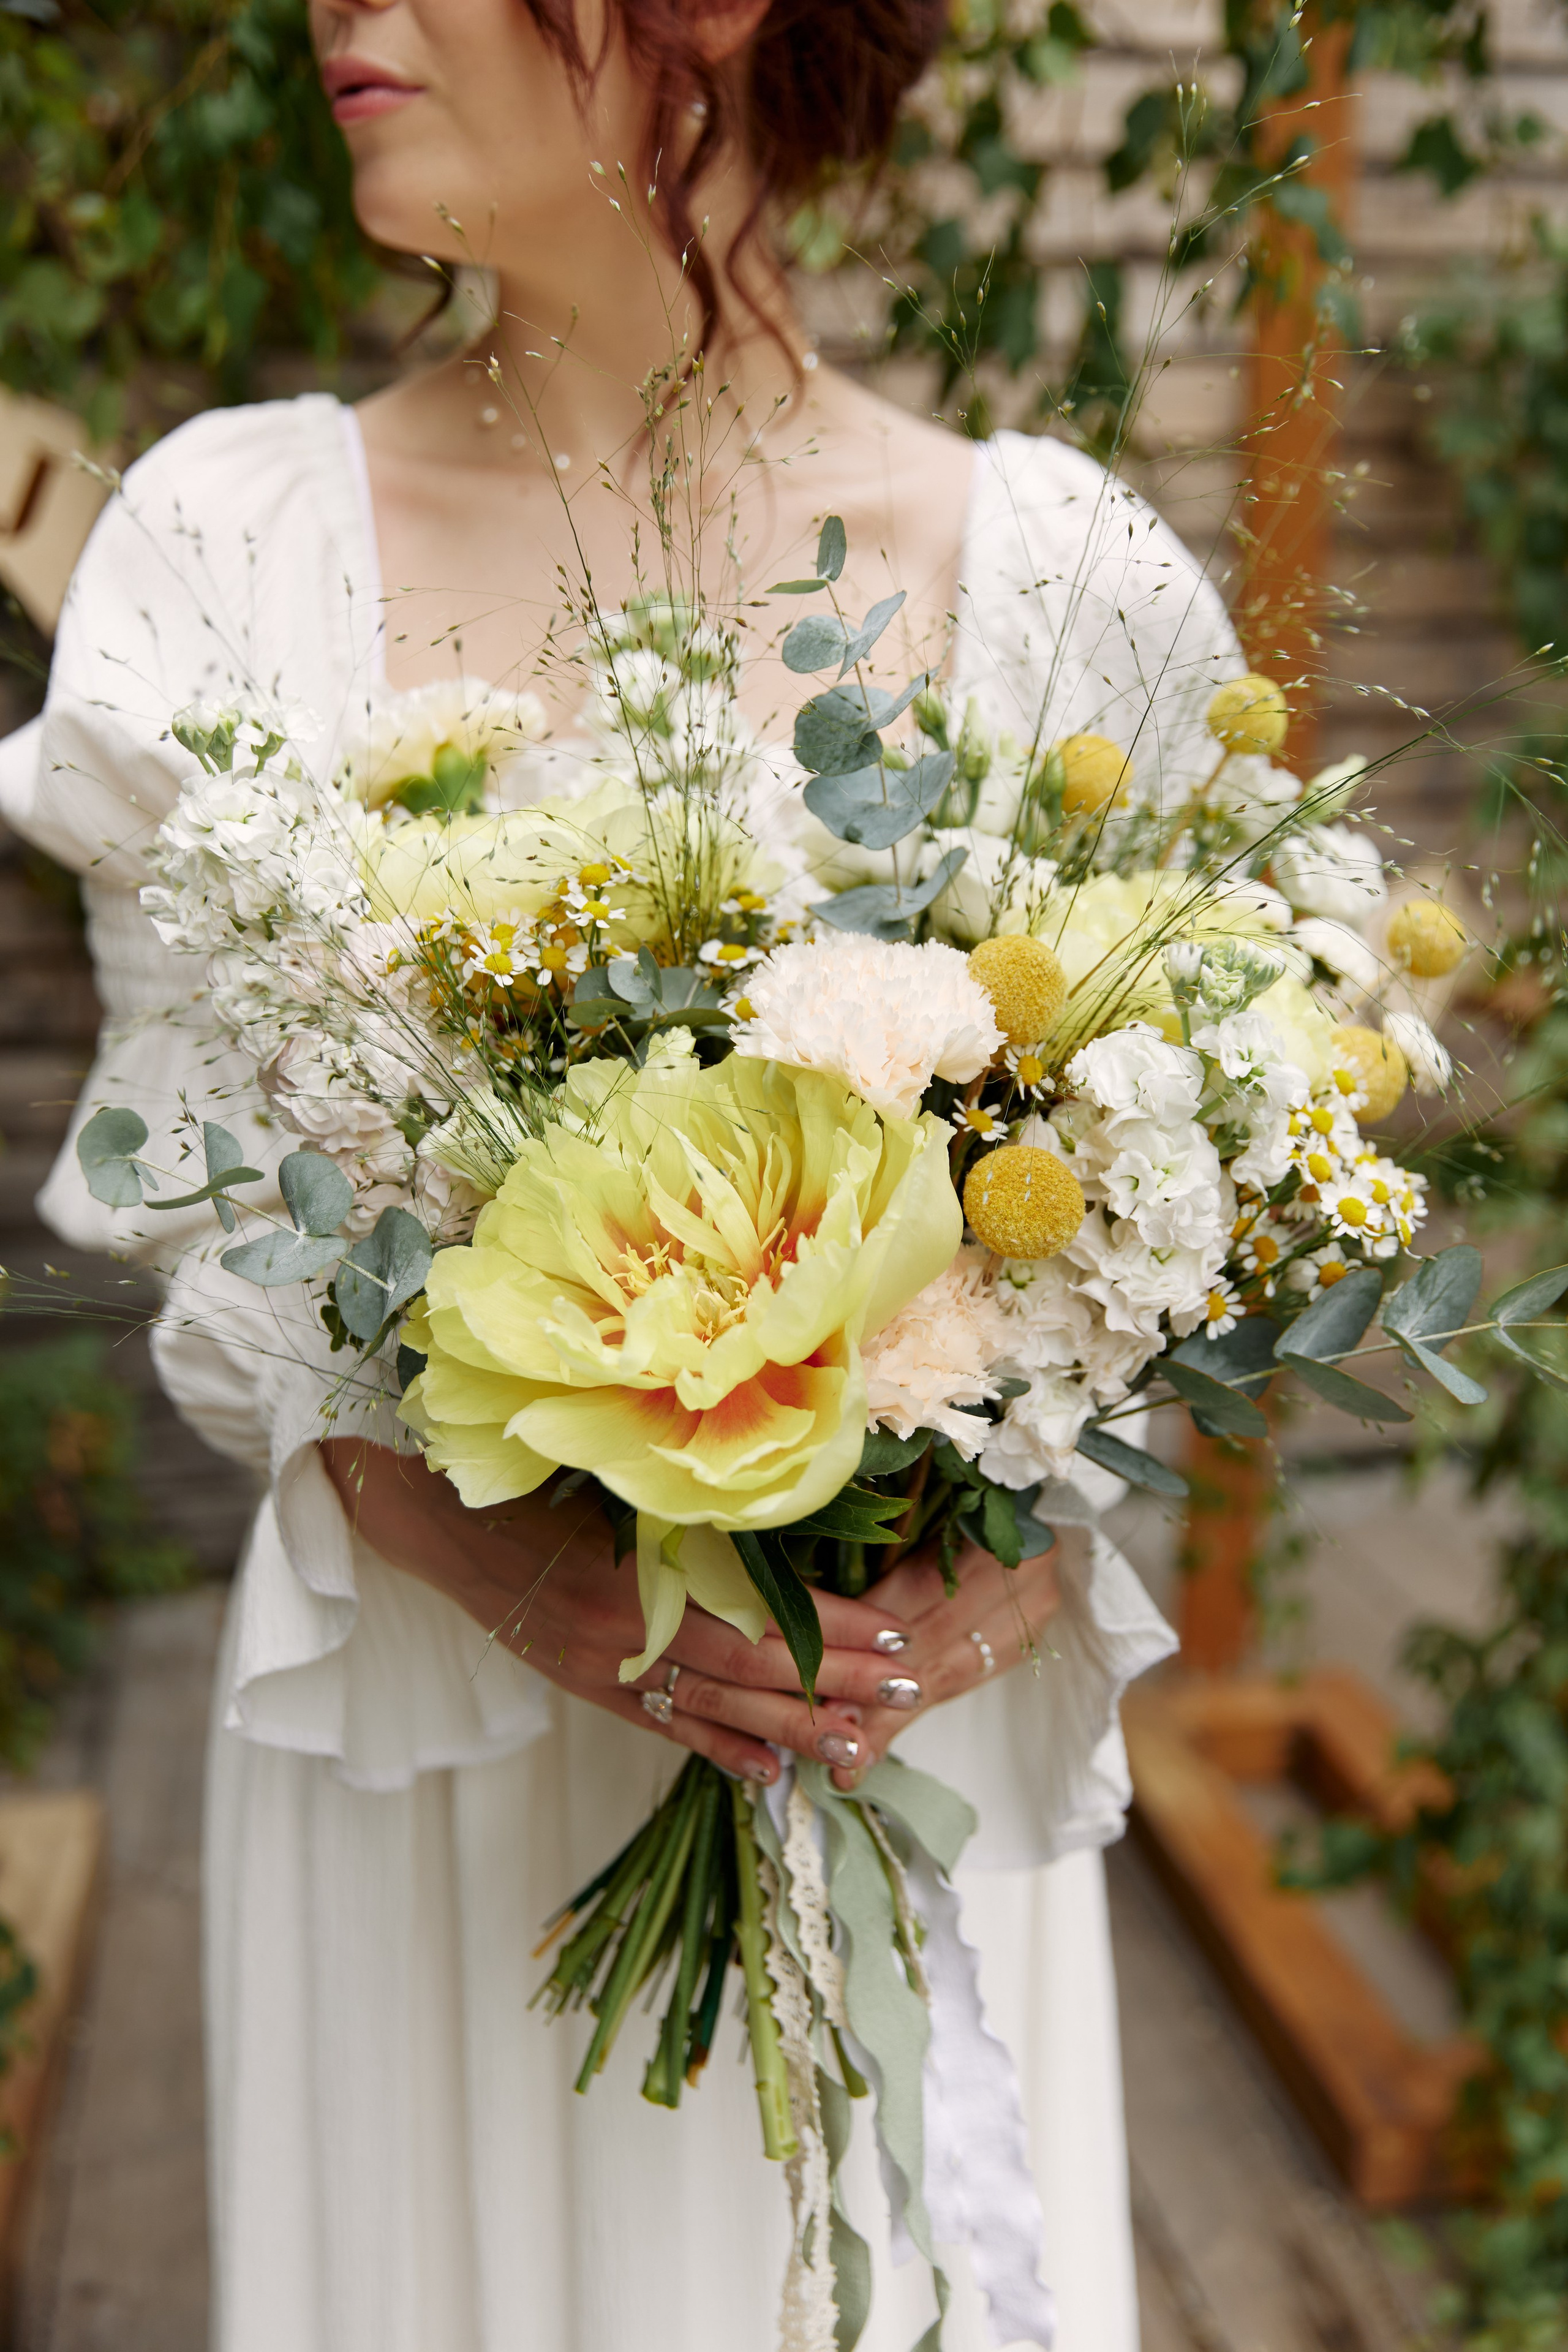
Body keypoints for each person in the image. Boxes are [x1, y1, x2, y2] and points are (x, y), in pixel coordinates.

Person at [0, 5, 1240, 2346]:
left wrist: (1009, 1574)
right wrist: (477, 1541)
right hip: (441, 1768)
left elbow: (1179, 1204)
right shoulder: (231, 553)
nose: (332, 15)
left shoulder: (1067, 585)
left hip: (892, 1747)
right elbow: (192, 1196)